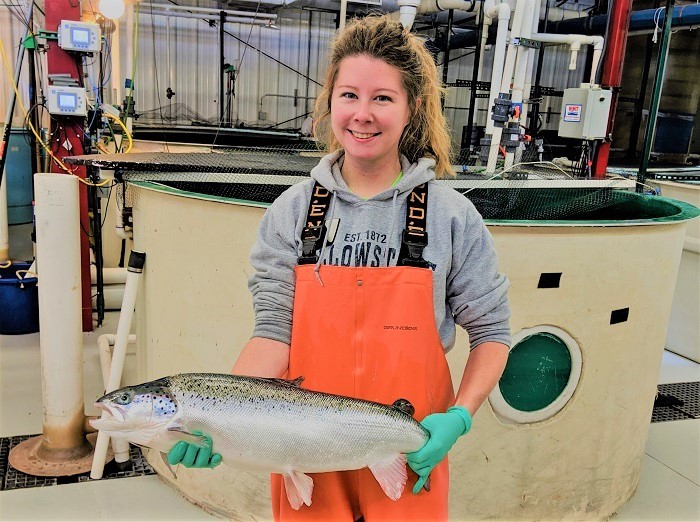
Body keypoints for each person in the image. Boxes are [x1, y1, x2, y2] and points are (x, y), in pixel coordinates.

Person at [168, 14, 511, 521]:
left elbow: (493, 333)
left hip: (406, 453)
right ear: (330, 102)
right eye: (349, 95)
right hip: (302, 453)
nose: (363, 114)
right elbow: (273, 333)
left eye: (383, 98)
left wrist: (459, 418)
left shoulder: (451, 217)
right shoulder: (290, 212)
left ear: (411, 108)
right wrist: (220, 419)